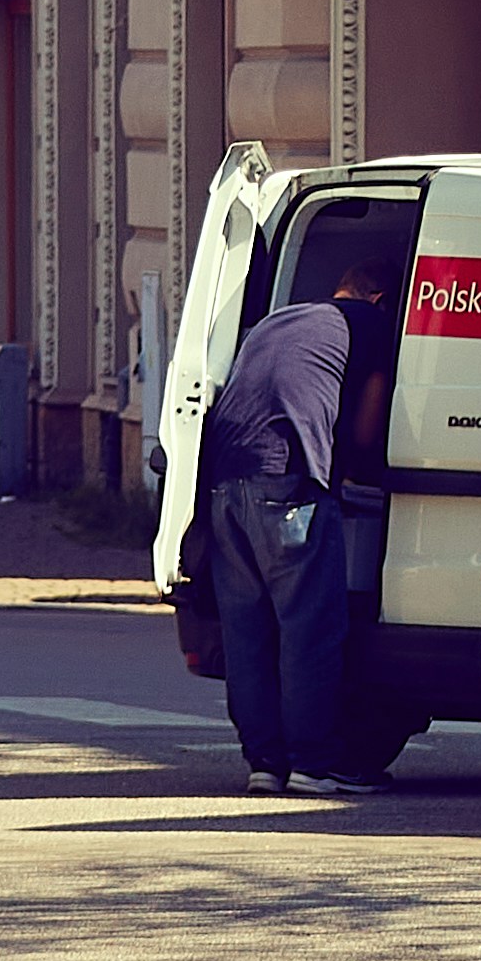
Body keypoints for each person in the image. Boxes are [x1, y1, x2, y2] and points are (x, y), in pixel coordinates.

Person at [196, 268, 390, 786]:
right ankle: (312, 763)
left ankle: (264, 764)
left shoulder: (276, 321)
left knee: (248, 633)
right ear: (381, 297)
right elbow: (369, 433)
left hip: (223, 483)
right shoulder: (371, 323)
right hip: (287, 483)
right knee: (309, 631)